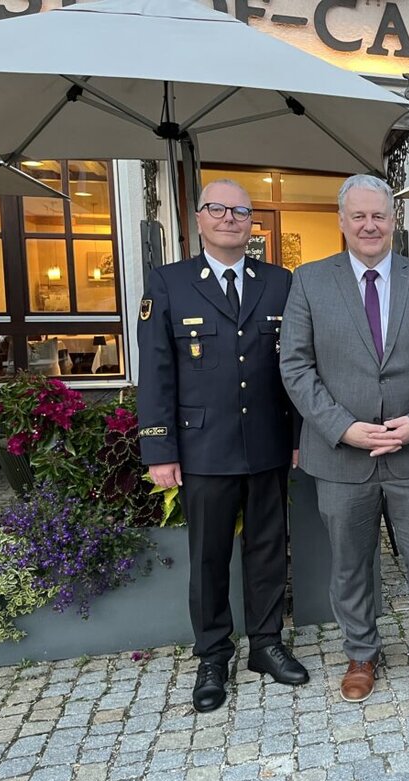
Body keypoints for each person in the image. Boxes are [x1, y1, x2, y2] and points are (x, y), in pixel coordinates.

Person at [280, 175, 409, 706]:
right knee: (350, 562)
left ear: (393, 221)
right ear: (341, 222)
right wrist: (341, 426)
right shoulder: (309, 281)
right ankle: (361, 651)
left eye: (378, 215)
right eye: (358, 216)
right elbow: (295, 365)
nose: (368, 225)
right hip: (341, 453)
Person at [137, 179, 307, 713]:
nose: (229, 217)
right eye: (218, 208)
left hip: (268, 442)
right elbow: (157, 372)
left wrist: (300, 438)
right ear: (199, 218)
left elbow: (296, 369)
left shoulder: (279, 282)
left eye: (240, 210)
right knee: (208, 556)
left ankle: (265, 643)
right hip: (202, 446)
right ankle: (213, 654)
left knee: (267, 548)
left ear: (252, 221)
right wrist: (159, 450)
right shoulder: (168, 283)